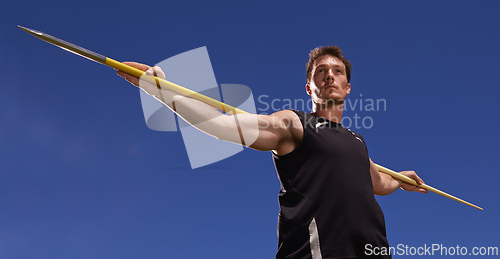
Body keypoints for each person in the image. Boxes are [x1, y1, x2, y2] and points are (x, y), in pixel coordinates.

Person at [117, 46, 427, 258]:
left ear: (348, 87)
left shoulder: (357, 141)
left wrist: (400, 180)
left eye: (337, 71)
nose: (330, 75)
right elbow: (222, 126)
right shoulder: (293, 123)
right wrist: (159, 89)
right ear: (309, 88)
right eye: (321, 72)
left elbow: (376, 183)